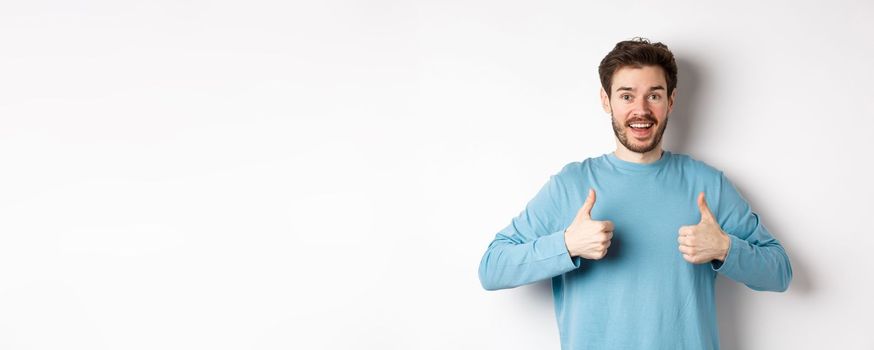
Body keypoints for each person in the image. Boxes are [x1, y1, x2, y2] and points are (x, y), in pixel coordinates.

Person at [477, 37, 793, 350]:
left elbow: (779, 273)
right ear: (606, 100)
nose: (640, 110)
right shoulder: (570, 185)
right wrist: (567, 245)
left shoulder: (708, 184)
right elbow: (492, 269)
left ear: (671, 101)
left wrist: (725, 248)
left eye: (653, 95)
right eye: (627, 96)